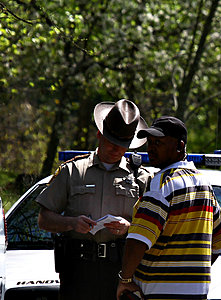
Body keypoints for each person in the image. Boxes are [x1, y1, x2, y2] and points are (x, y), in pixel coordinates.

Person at [36, 99, 152, 300]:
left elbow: (155, 227)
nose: (116, 149)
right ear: (99, 134)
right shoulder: (72, 172)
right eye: (111, 142)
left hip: (122, 271)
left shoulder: (141, 178)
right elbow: (43, 219)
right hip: (78, 270)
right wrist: (71, 223)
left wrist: (130, 227)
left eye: (122, 145)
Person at [115, 116, 221, 300]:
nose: (151, 148)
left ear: (180, 146)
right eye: (150, 142)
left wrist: (125, 279)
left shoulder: (162, 183)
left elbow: (138, 240)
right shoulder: (203, 184)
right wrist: (192, 272)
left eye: (158, 142)